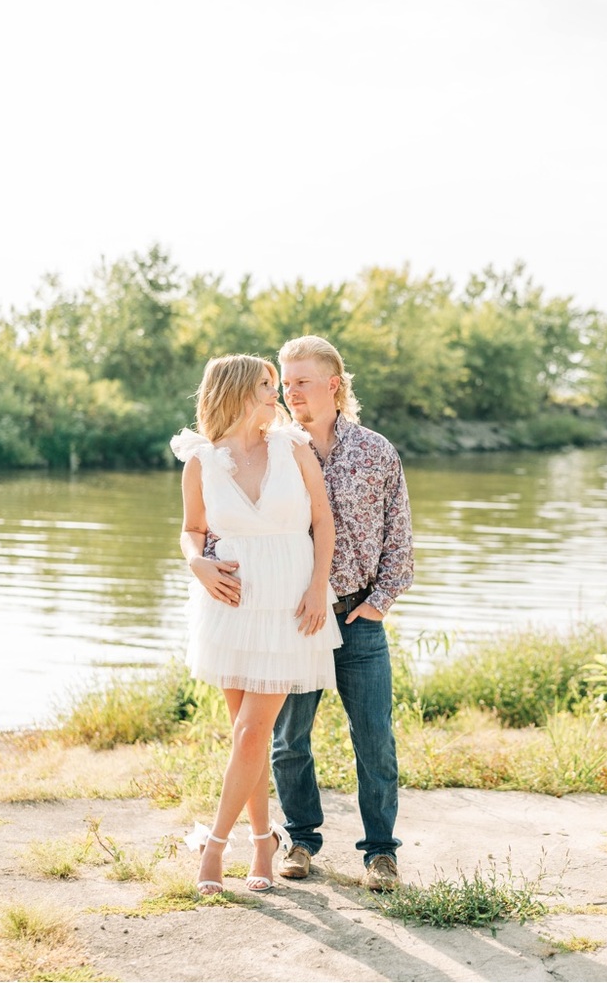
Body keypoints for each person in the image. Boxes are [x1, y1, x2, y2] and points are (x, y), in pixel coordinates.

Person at [169, 354, 341, 896]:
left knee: (252, 731)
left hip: (289, 602)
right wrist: (195, 561)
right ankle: (263, 839)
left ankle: (215, 849)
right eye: (269, 386)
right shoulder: (201, 460)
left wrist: (318, 588)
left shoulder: (292, 447)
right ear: (241, 392)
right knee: (249, 737)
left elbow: (322, 518)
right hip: (230, 604)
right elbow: (192, 529)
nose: (278, 395)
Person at [271, 334, 414, 891]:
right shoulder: (273, 450)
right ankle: (300, 839)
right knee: (290, 739)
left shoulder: (377, 451)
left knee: (375, 737)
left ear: (333, 384)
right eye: (284, 384)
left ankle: (381, 852)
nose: (290, 393)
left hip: (358, 619)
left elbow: (398, 539)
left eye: (300, 381)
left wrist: (378, 605)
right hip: (295, 618)